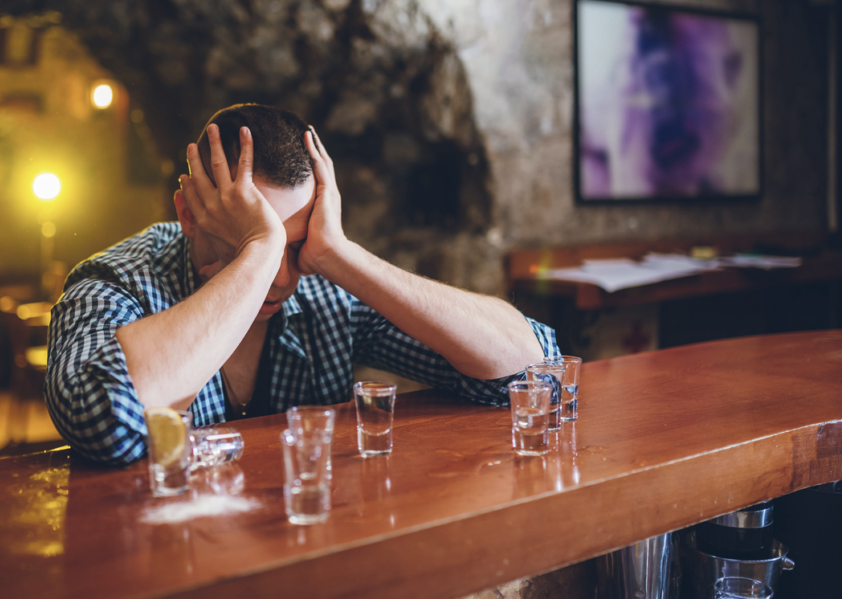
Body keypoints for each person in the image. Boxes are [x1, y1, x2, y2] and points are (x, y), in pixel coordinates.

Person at [45, 104, 558, 465]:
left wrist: (341, 253)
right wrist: (261, 249)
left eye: (295, 245)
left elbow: (534, 373)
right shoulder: (113, 281)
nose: (284, 276)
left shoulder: (327, 284)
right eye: (247, 239)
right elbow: (104, 421)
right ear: (189, 213)